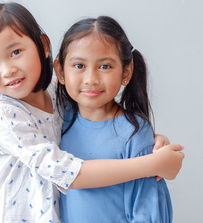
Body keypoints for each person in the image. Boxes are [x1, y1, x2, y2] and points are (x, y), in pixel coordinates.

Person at [0, 2, 185, 223]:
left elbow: (106, 126)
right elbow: (65, 171)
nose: (8, 70)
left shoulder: (61, 96)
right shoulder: (5, 115)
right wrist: (151, 164)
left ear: (43, 45)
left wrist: (149, 141)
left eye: (15, 52)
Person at [54, 15, 175, 222]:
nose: (91, 79)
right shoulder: (56, 121)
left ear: (126, 72)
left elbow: (147, 212)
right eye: (79, 66)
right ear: (60, 71)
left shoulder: (134, 133)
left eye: (105, 66)